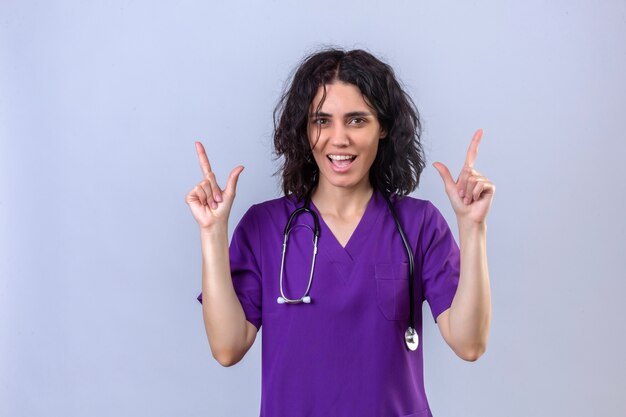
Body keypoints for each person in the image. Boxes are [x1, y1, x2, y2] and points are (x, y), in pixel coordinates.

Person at [186, 48, 495, 417]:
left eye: (356, 120)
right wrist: (211, 233)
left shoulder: (419, 225)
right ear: (304, 128)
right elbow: (227, 348)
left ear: (383, 128)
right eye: (322, 120)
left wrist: (473, 228)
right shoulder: (264, 228)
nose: (338, 139)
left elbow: (469, 343)